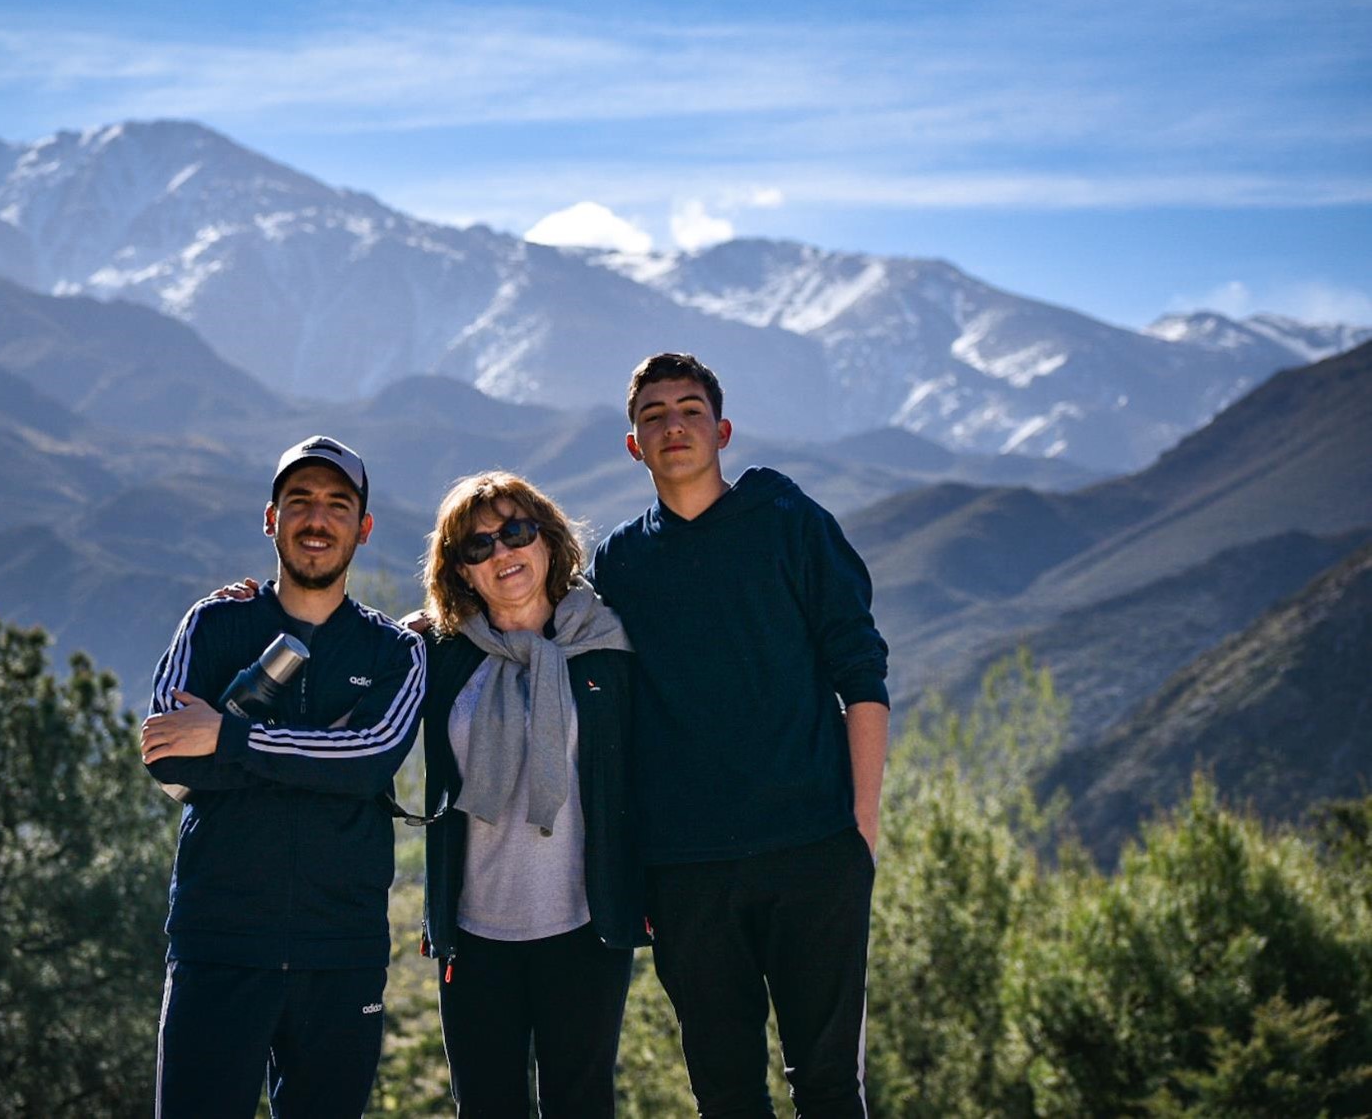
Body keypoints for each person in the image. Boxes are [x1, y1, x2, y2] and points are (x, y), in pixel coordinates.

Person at [587, 353, 890, 1119]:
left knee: (828, 1086)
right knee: (724, 1094)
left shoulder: (788, 520)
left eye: (690, 409)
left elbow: (861, 671)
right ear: (633, 445)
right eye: (653, 415)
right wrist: (436, 625)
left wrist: (861, 827)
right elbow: (549, 631)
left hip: (812, 847)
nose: (673, 425)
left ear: (721, 430)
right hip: (685, 869)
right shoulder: (620, 561)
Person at [139, 435, 426, 1118]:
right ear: (271, 519)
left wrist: (230, 736)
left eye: (337, 505)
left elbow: (371, 761)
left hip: (341, 953)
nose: (316, 519)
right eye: (299, 501)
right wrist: (319, 755)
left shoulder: (395, 651)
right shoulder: (213, 624)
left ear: (363, 527)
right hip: (219, 946)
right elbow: (169, 755)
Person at [417, 471, 647, 1118]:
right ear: (461, 571)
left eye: (516, 532)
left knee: (582, 1105)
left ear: (547, 539)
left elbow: (645, 775)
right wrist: (254, 604)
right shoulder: (441, 654)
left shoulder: (606, 645)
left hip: (585, 926)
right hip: (473, 933)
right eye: (479, 545)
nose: (502, 552)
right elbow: (347, 645)